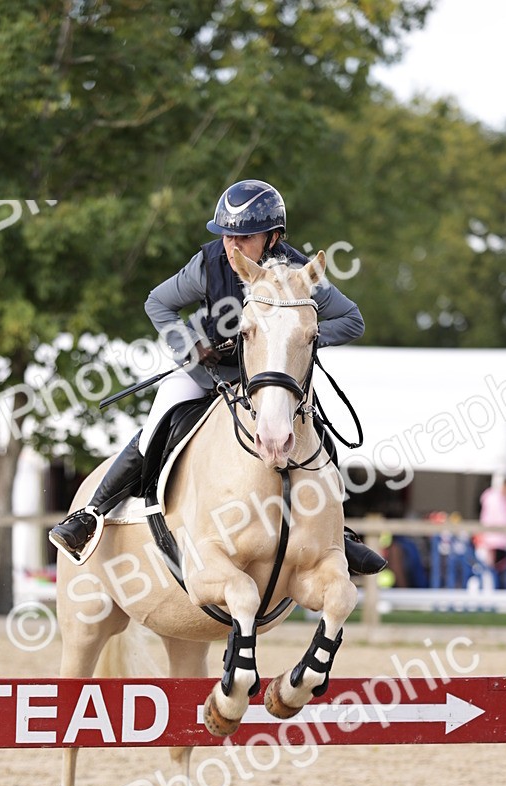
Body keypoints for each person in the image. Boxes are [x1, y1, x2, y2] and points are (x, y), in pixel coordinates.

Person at [50, 179, 386, 575]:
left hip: (268, 379)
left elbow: (352, 320)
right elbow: (158, 302)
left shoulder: (298, 274)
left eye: (244, 237)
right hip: (208, 372)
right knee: (160, 419)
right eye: (228, 235)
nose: (232, 245)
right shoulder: (207, 263)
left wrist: (294, 341)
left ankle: (336, 534)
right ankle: (91, 514)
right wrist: (190, 345)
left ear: (273, 237)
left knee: (316, 429)